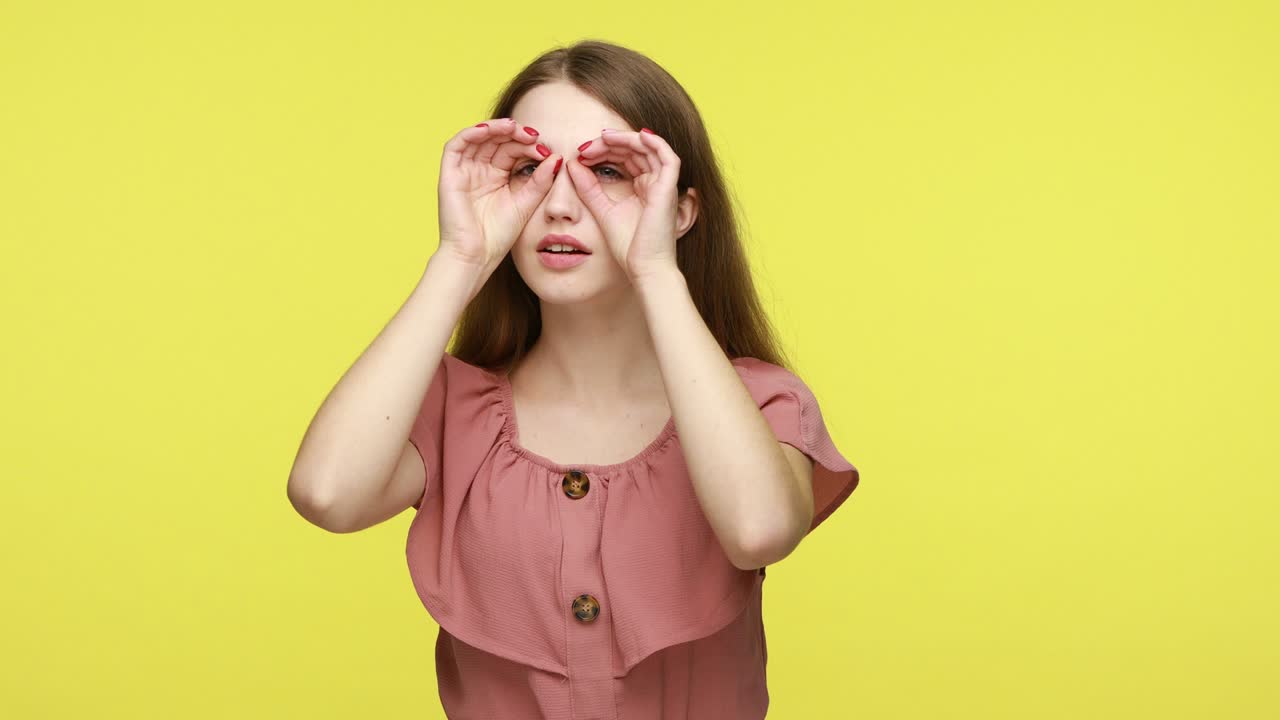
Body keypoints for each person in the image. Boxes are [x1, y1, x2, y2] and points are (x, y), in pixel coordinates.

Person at [288, 39, 860, 720]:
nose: (561, 205)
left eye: (609, 171)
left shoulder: (759, 402)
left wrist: (656, 271)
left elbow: (759, 529)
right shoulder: (447, 409)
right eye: (531, 168)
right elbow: (326, 495)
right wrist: (460, 255)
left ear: (683, 209)